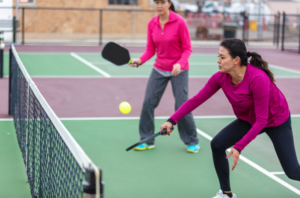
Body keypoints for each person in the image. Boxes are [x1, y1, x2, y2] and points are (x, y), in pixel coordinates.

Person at [160, 38, 300, 198]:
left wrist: (239, 146)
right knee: (218, 145)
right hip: (249, 119)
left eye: (222, 57)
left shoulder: (257, 78)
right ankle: (226, 194)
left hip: (275, 120)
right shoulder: (220, 77)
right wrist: (172, 120)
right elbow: (196, 100)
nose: (218, 61)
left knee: (293, 171)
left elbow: (262, 120)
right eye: (218, 56)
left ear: (236, 60)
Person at [129, 0, 200, 153]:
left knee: (182, 105)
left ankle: (192, 141)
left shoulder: (180, 22)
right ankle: (147, 139)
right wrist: (140, 60)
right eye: (156, 2)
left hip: (179, 70)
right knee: (148, 102)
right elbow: (150, 49)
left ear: (169, 4)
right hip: (159, 69)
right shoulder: (151, 23)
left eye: (162, 2)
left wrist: (180, 64)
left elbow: (187, 49)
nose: (159, 5)